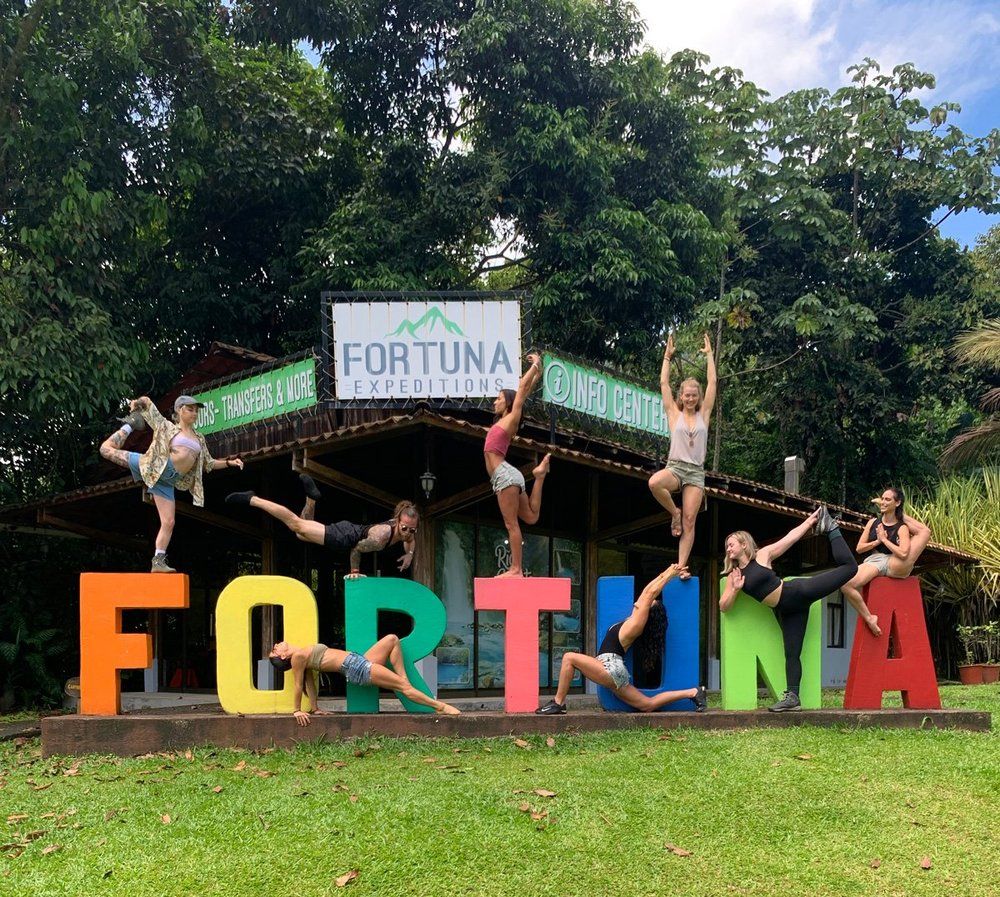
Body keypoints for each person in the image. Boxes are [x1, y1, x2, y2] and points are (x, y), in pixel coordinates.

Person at [721, 506, 858, 712]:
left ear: (743, 544)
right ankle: (792, 698)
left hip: (797, 592)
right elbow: (724, 606)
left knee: (849, 568)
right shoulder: (735, 575)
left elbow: (790, 538)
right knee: (792, 654)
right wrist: (735, 590)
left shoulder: (762, 556)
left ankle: (832, 528)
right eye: (726, 547)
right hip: (789, 610)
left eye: (731, 545)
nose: (728, 549)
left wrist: (810, 522)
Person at [536, 564, 707, 714]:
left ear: (649, 612)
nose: (644, 601)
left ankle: (559, 703)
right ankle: (693, 692)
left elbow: (650, 592)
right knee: (647, 705)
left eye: (650, 603)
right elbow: (648, 592)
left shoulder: (637, 623)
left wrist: (670, 572)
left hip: (609, 667)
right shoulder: (632, 621)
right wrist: (668, 572)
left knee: (569, 658)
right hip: (615, 670)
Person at [99, 395, 244, 572]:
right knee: (105, 450)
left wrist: (230, 462)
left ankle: (158, 561)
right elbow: (149, 405)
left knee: (169, 522)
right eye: (190, 409)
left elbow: (209, 463)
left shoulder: (199, 439)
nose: (194, 413)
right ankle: (130, 424)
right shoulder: (167, 427)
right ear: (179, 410)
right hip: (153, 466)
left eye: (196, 410)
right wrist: (137, 403)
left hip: (167, 482)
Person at [226, 479, 419, 578]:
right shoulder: (381, 536)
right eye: (405, 528)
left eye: (412, 529)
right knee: (296, 524)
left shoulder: (405, 532)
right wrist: (354, 570)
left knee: (300, 534)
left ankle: (311, 498)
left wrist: (409, 553)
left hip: (347, 530)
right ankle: (254, 499)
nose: (407, 533)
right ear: (397, 521)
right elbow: (357, 549)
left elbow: (410, 540)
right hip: (342, 537)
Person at [268, 634, 461, 724]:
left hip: (358, 661)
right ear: (283, 657)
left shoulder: (302, 657)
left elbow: (310, 684)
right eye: (275, 650)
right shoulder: (298, 658)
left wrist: (315, 707)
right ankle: (440, 707)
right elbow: (299, 684)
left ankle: (403, 678)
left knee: (392, 639)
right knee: (404, 688)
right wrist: (296, 711)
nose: (277, 645)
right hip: (356, 668)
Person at [648, 332, 717, 579]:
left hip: (696, 472)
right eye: (686, 395)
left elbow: (712, 384)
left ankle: (681, 566)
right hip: (676, 467)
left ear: (698, 397)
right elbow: (664, 384)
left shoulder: (704, 415)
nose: (690, 398)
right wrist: (666, 357)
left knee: (690, 521)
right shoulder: (673, 413)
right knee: (654, 482)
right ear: (681, 396)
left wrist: (709, 356)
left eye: (693, 395)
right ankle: (673, 512)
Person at [484, 352, 551, 577]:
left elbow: (521, 391)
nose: (495, 401)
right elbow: (525, 391)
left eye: (499, 398)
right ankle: (539, 476)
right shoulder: (505, 420)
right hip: (508, 476)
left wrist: (535, 367)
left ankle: (516, 569)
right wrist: (538, 375)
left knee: (511, 524)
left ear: (509, 402)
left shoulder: (511, 419)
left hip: (504, 476)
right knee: (530, 517)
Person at [841, 488, 933, 637]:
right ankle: (870, 618)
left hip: (894, 562)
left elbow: (903, 553)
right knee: (846, 584)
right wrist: (877, 541)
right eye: (882, 499)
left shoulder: (902, 527)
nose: (883, 502)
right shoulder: (873, 523)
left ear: (897, 503)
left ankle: (895, 506)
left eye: (887, 500)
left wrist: (885, 540)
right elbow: (859, 548)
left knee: (925, 532)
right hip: (875, 561)